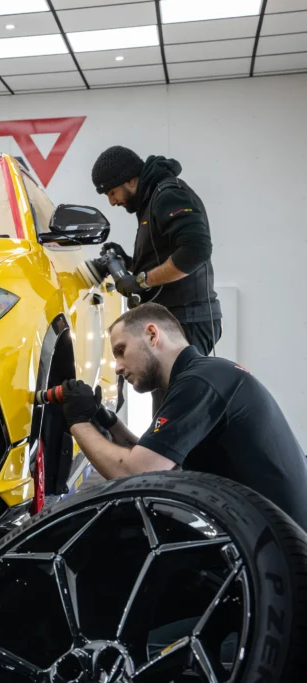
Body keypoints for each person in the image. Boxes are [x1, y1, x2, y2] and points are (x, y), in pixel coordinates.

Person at [60, 303, 307, 531]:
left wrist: (77, 421)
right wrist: (109, 422)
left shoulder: (198, 382)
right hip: (275, 536)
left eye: (121, 351)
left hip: (283, 551)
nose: (118, 367)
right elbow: (163, 461)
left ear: (152, 335)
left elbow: (136, 473)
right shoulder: (208, 373)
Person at [91, 146, 222, 356]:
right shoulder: (150, 200)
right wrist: (130, 263)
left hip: (186, 321)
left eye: (112, 192)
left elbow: (196, 250)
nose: (112, 202)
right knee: (168, 389)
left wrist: (142, 280)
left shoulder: (168, 195)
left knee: (180, 388)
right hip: (172, 320)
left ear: (130, 181)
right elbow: (162, 258)